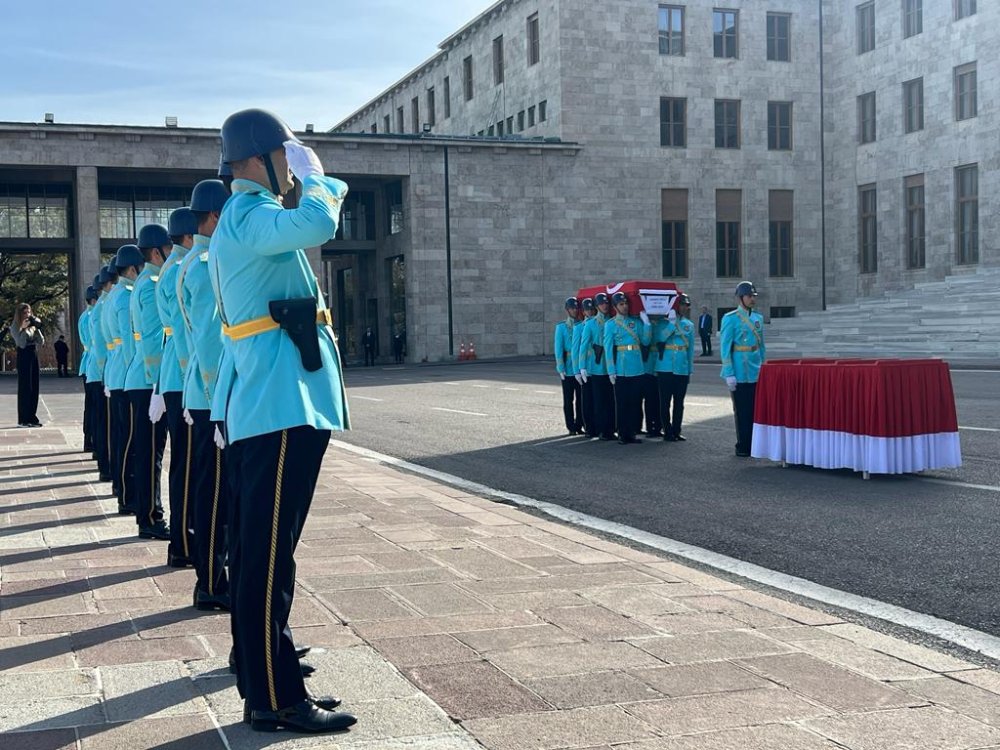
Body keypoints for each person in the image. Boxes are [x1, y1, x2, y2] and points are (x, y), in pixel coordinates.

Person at [211, 108, 356, 734]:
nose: (292, 167)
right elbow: (317, 223)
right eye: (285, 156)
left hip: (274, 403)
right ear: (259, 158)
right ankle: (274, 698)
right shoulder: (247, 214)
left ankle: (266, 671)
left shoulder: (248, 216)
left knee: (263, 554)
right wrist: (321, 179)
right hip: (277, 407)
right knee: (268, 558)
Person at [177, 178, 231, 611]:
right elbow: (211, 339)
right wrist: (218, 402)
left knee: (209, 487)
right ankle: (211, 580)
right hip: (211, 392)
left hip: (202, 389)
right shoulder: (206, 262)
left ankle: (211, 573)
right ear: (214, 216)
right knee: (214, 493)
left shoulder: (194, 260)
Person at [154, 207, 200, 568]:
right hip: (184, 377)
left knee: (186, 463)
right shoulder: (183, 267)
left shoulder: (171, 268)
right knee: (186, 465)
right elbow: (185, 332)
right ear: (189, 236)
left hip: (176, 374)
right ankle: (183, 543)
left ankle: (184, 540)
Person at [125, 226, 170, 540]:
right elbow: (154, 339)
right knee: (151, 453)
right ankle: (151, 517)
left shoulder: (142, 282)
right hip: (148, 379)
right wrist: (158, 383)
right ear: (156, 252)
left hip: (140, 376)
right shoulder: (152, 283)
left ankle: (147, 514)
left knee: (147, 452)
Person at [106, 248, 139, 514]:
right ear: (131, 269)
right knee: (130, 439)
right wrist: (133, 369)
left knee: (122, 436)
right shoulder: (125, 296)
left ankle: (122, 488)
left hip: (115, 371)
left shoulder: (113, 295)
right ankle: (127, 495)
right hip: (127, 371)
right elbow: (129, 342)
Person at [720, 281, 766, 457]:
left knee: (755, 410)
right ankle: (743, 445)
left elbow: (761, 346)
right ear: (741, 298)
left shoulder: (758, 319)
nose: (752, 299)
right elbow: (725, 347)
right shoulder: (730, 318)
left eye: (753, 296)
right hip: (739, 371)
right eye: (749, 296)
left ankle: (755, 444)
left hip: (755, 370)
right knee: (742, 411)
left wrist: (764, 366)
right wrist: (729, 373)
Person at [604, 292, 650, 444]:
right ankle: (623, 434)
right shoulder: (610, 325)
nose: (625, 306)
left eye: (626, 304)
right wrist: (611, 370)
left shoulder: (635, 322)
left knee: (635, 403)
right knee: (623, 403)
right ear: (615, 307)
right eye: (621, 304)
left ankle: (632, 433)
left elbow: (645, 341)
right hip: (622, 368)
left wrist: (647, 325)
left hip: (637, 367)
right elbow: (608, 349)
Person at [654, 293, 696, 441]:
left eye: (687, 305)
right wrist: (671, 324)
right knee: (665, 401)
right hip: (665, 367)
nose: (685, 307)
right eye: (682, 304)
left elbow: (690, 349)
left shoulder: (689, 325)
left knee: (679, 402)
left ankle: (677, 430)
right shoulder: (662, 323)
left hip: (681, 367)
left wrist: (690, 369)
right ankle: (667, 430)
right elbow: (659, 338)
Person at [578, 292, 616, 441]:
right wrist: (582, 367)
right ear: (597, 306)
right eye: (601, 304)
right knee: (599, 401)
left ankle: (610, 429)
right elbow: (583, 346)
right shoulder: (591, 324)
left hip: (611, 366)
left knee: (611, 401)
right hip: (597, 366)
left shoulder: (613, 322)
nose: (605, 306)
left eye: (606, 303)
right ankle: (601, 430)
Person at [88, 268, 114, 482]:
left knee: (106, 423)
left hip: (105, 370)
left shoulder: (100, 308)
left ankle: (107, 466)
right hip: (104, 370)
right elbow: (99, 343)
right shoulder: (102, 307)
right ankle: (106, 468)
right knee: (107, 424)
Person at [10, 303, 44, 427]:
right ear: (19, 314)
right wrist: (23, 329)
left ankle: (32, 417)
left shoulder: (32, 325)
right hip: (23, 356)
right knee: (25, 387)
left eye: (29, 312)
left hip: (33, 354)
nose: (27, 315)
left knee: (34, 386)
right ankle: (23, 419)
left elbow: (41, 341)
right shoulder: (15, 326)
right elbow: (21, 343)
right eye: (24, 313)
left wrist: (37, 327)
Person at [554, 297, 583, 435]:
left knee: (581, 399)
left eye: (576, 308)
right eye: (572, 308)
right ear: (567, 310)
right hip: (568, 366)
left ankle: (579, 424)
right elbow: (558, 349)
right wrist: (561, 368)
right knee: (568, 399)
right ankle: (571, 426)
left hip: (579, 366)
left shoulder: (581, 324)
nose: (574, 310)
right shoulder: (561, 327)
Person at [79, 287, 99, 452]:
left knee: (90, 405)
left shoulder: (83, 316)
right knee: (96, 407)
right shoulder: (93, 315)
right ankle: (92, 439)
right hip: (95, 361)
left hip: (87, 362)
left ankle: (88, 439)